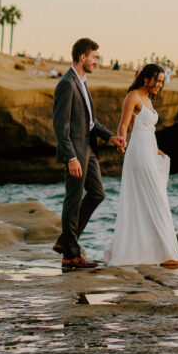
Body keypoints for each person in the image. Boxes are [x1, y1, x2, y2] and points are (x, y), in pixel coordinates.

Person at [51, 37, 127, 269]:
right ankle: (70, 255)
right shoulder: (67, 83)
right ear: (82, 58)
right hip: (77, 153)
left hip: (90, 151)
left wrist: (110, 138)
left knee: (97, 193)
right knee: (73, 200)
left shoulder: (81, 82)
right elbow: (60, 124)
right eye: (94, 57)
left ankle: (65, 241)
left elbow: (91, 122)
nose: (97, 62)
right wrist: (71, 156)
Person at [104, 64, 178, 268]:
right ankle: (166, 254)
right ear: (145, 78)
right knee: (155, 198)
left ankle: (158, 253)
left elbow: (147, 128)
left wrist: (156, 149)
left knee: (150, 199)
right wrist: (121, 141)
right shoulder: (133, 96)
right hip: (139, 152)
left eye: (161, 82)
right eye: (157, 81)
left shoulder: (149, 99)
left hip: (149, 148)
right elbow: (125, 124)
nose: (159, 85)